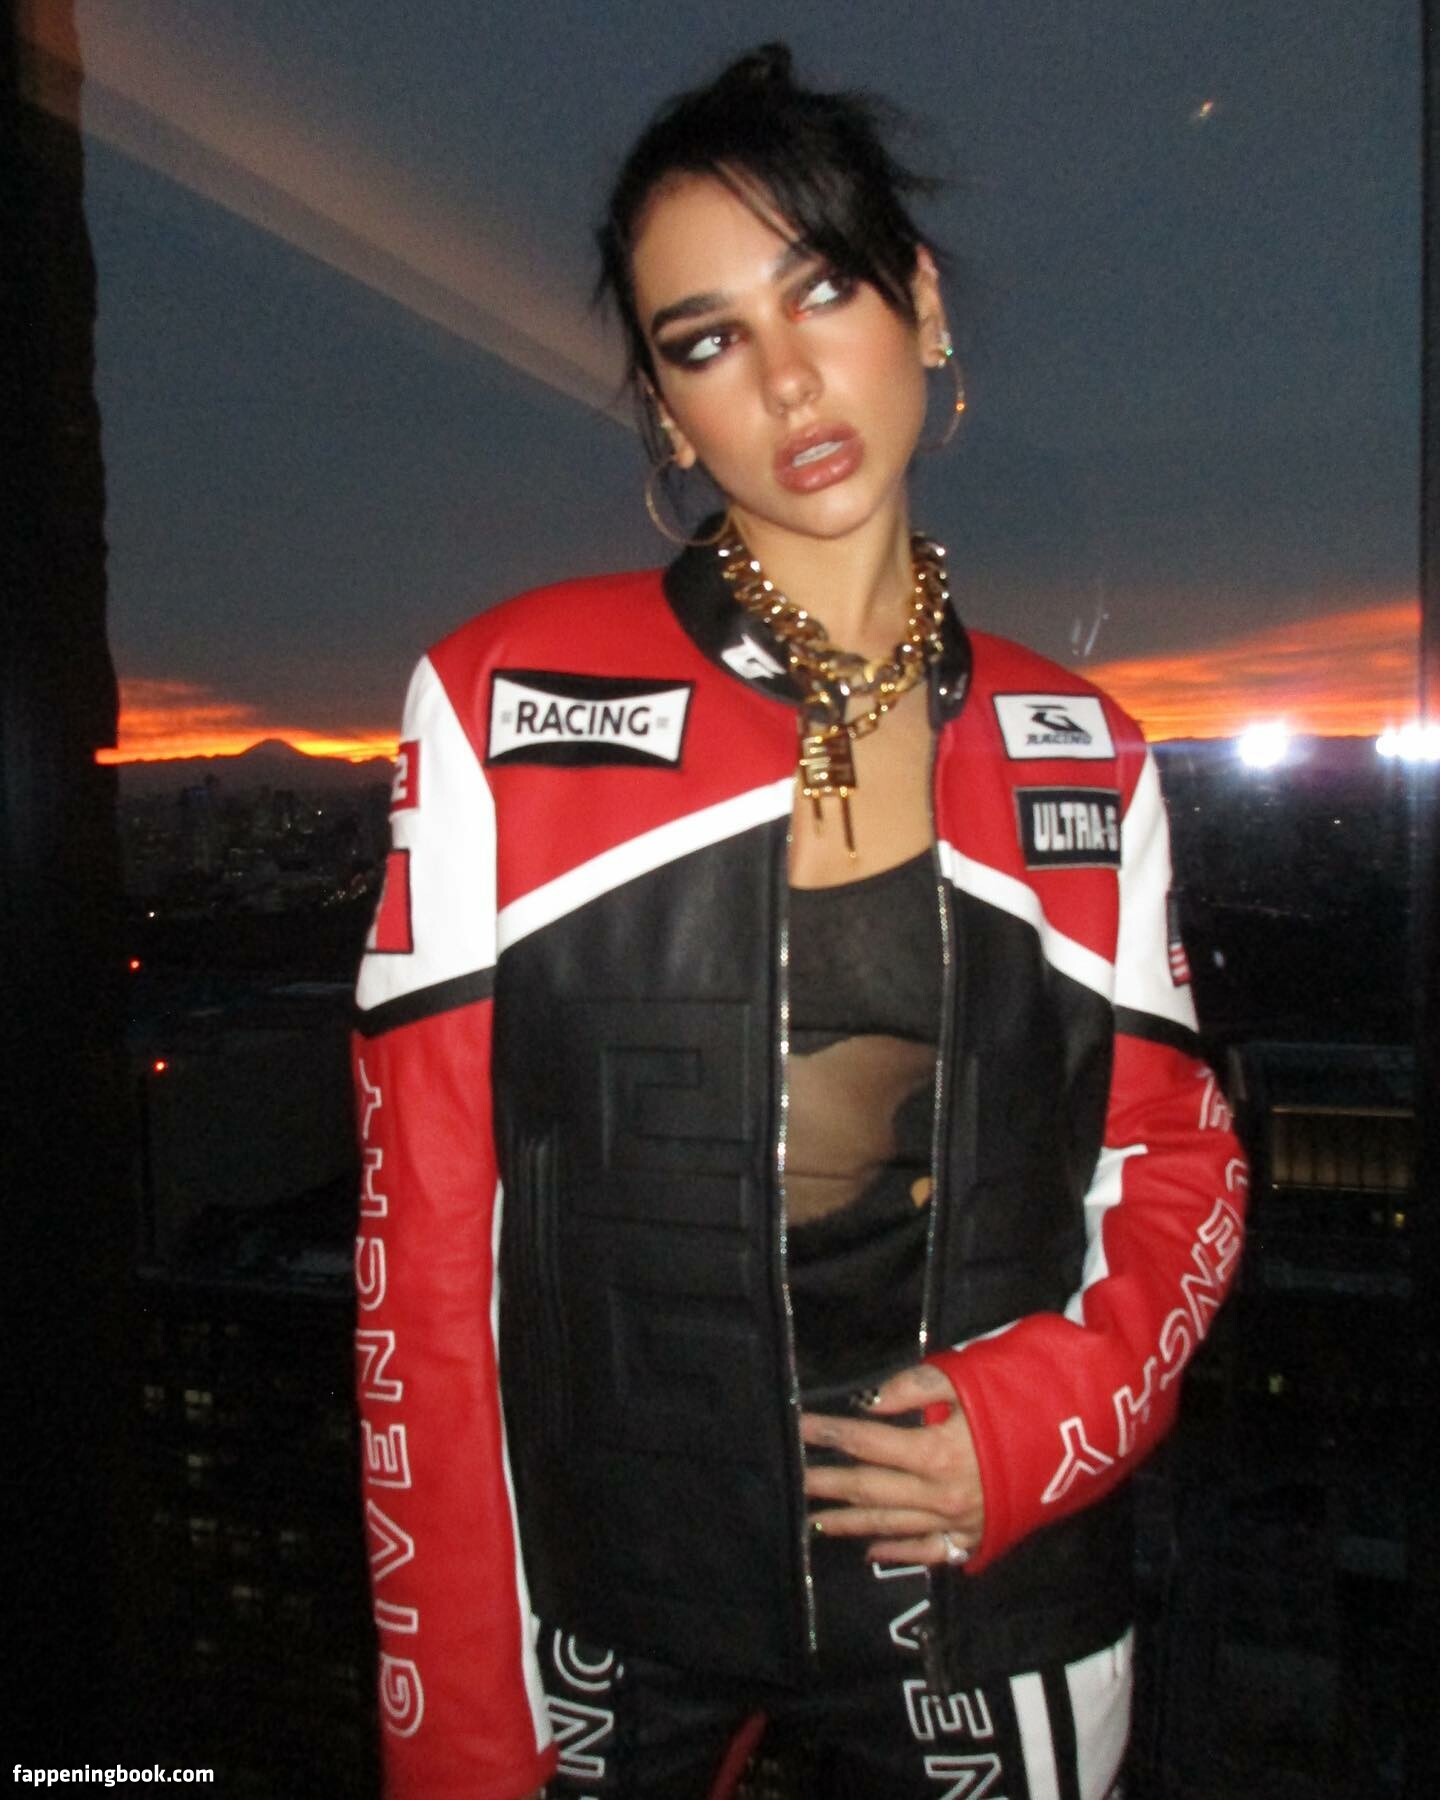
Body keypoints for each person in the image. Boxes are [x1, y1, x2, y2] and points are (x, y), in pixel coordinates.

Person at [352, 43, 1246, 1800]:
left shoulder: (1083, 749)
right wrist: (453, 1738)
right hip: (617, 1608)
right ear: (667, 412)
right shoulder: (502, 704)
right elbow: (422, 1272)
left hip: (990, 1595)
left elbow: (1180, 1165)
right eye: (706, 341)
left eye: (821, 289)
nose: (784, 378)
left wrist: (1045, 1422)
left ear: (922, 304)